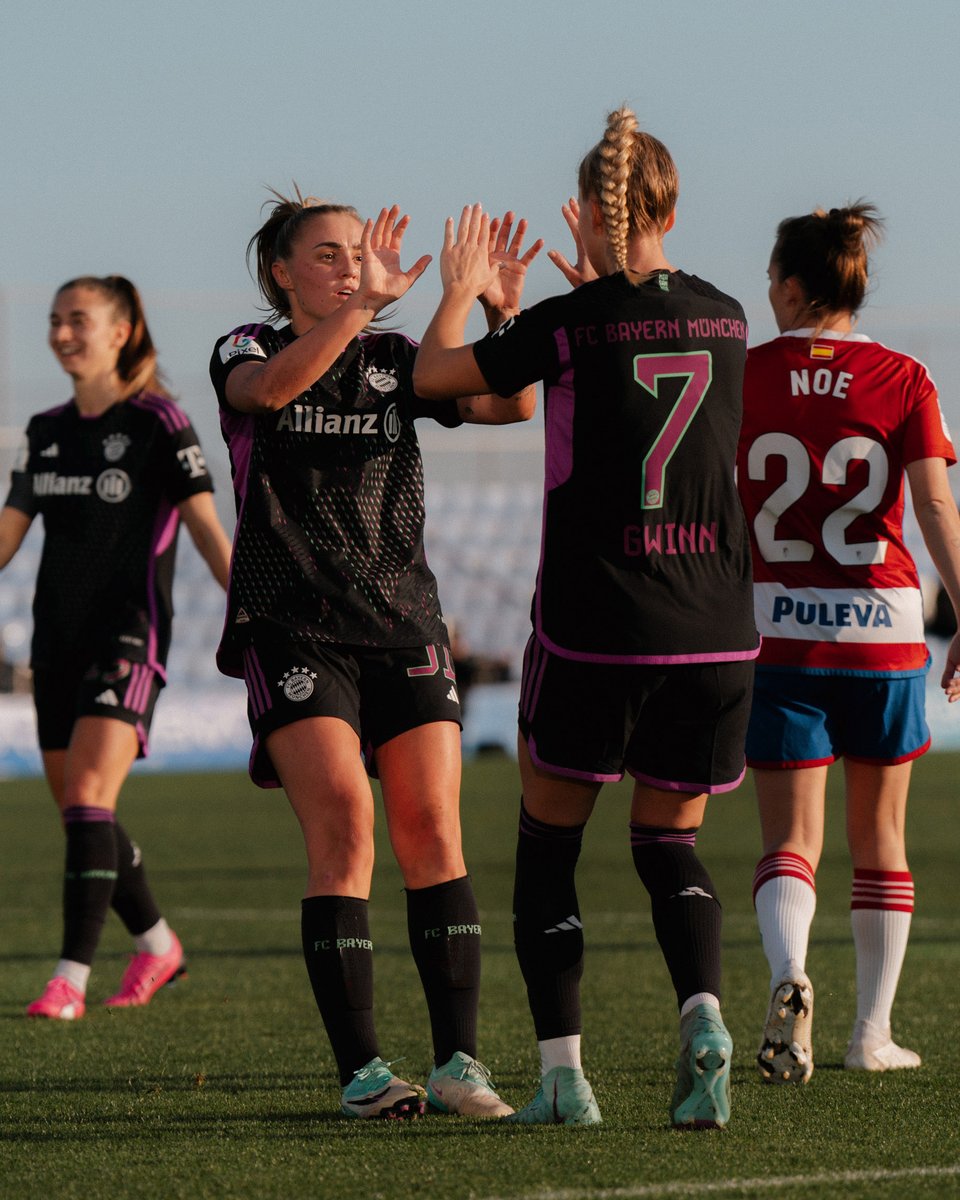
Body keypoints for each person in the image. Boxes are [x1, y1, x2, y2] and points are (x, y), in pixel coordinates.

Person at [414, 108, 759, 1128]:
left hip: (597, 624)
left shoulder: (567, 325)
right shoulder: (731, 316)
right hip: (718, 630)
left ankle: (564, 1075)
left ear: (594, 213)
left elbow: (436, 377)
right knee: (669, 843)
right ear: (673, 203)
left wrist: (463, 294)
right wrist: (592, 298)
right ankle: (702, 1014)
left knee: (548, 848)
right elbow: (639, 358)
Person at [209, 190, 542, 1119]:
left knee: (434, 830)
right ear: (281, 271)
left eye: (357, 252)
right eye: (327, 254)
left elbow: (510, 402)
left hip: (402, 622)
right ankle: (363, 1074)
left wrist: (498, 309)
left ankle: (458, 1065)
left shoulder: (400, 363)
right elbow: (272, 393)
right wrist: (364, 307)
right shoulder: (245, 347)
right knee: (347, 824)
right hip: (291, 625)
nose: (349, 265)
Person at [736, 203, 960, 1082]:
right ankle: (871, 1034)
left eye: (769, 279)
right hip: (885, 637)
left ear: (793, 286)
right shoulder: (904, 377)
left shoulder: (743, 376)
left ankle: (792, 972)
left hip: (776, 635)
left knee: (791, 839)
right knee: (882, 839)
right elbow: (935, 506)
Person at [0, 274, 232, 1020]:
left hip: (130, 636)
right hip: (55, 643)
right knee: (82, 809)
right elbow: (7, 538)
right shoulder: (45, 430)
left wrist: (257, 615)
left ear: (123, 329)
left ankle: (69, 977)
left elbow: (202, 527)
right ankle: (158, 944)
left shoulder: (160, 421)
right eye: (55, 321)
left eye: (79, 320)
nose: (63, 333)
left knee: (90, 801)